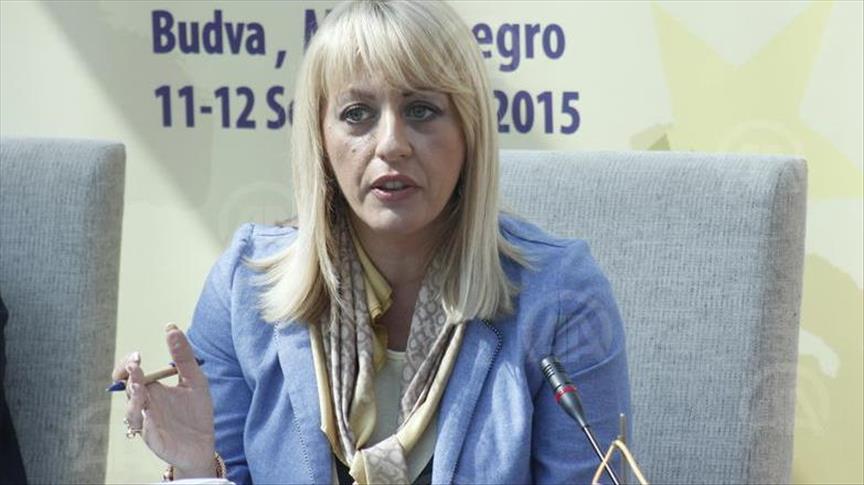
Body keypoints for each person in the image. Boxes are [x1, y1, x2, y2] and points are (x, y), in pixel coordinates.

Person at [113, 1, 631, 483]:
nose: (391, 144)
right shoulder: (245, 284)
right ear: (320, 138)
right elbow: (226, 472)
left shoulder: (561, 298)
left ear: (469, 132)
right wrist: (197, 467)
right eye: (357, 113)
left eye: (421, 110)